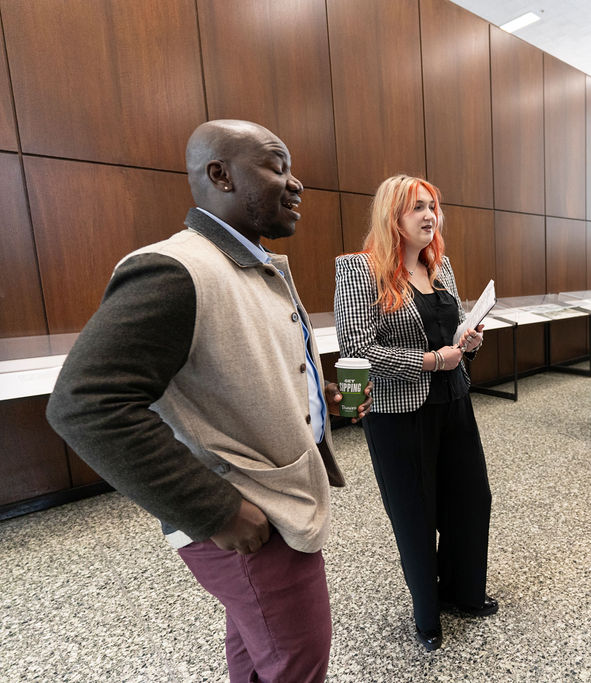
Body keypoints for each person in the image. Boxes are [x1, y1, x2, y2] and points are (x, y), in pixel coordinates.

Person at [45, 120, 370, 681]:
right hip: (251, 509)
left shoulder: (248, 263)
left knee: (257, 648)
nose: (296, 185)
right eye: (276, 166)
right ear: (220, 174)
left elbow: (244, 368)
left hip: (277, 496)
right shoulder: (175, 269)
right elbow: (84, 403)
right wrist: (213, 510)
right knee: (297, 658)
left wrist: (318, 396)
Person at [333, 174, 493, 652]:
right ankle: (427, 615)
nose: (429, 215)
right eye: (416, 208)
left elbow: (453, 334)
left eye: (432, 206)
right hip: (398, 413)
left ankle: (462, 594)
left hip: (453, 401)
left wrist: (468, 345)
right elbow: (358, 349)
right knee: (415, 513)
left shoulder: (439, 266)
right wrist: (429, 361)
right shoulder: (359, 270)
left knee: (470, 501)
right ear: (392, 217)